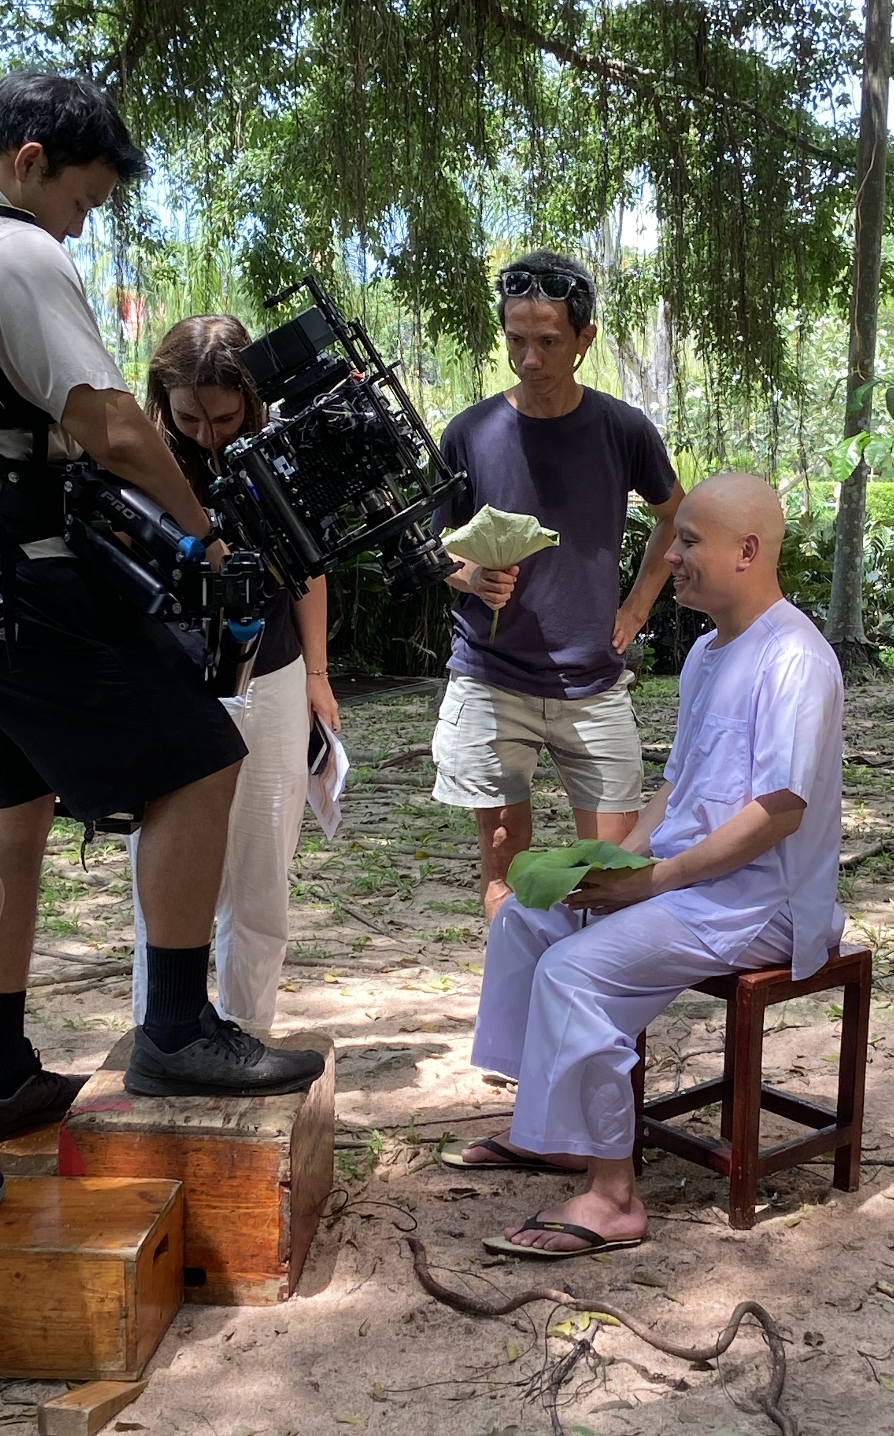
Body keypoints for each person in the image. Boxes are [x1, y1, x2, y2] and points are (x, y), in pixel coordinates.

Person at [0, 70, 324, 1131]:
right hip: (24, 577)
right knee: (200, 759)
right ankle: (178, 1031)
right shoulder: (19, 251)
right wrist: (205, 533)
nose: (79, 226)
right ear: (29, 163)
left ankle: (0, 1066)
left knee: (14, 810)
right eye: (82, 201)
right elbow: (111, 426)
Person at [445, 473, 844, 1256]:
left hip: (761, 901)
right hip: (691, 880)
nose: (671, 555)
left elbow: (778, 812)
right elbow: (677, 784)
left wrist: (651, 883)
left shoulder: (795, 658)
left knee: (576, 971)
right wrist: (613, 863)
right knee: (526, 918)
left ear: (747, 551)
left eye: (688, 541)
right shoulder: (705, 652)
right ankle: (555, 1132)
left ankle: (614, 1198)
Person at [431, 249, 685, 919]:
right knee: (504, 873)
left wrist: (637, 605)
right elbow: (434, 546)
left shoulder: (622, 429)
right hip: (493, 678)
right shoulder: (470, 433)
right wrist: (471, 576)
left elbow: (676, 517)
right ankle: (515, 985)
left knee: (611, 876)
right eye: (516, 340)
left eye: (547, 342)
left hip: (592, 683)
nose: (529, 359)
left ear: (584, 339)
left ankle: (590, 989)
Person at [127, 315, 339, 1033]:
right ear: (162, 400)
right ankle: (162, 1033)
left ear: (252, 399)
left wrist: (317, 673)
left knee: (261, 873)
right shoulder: (137, 461)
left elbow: (310, 569)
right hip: (170, 683)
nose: (208, 435)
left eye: (224, 418)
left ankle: (247, 1032)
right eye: (189, 418)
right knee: (165, 887)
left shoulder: (279, 454)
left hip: (272, 674)